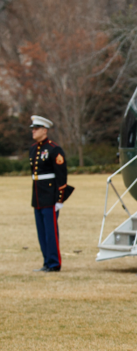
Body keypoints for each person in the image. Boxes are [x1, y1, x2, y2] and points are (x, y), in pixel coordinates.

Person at [29, 115, 70, 272]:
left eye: (36, 129)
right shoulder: (33, 148)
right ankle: (46, 261)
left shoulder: (54, 149)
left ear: (45, 130)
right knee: (41, 232)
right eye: (33, 129)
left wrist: (59, 199)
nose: (33, 131)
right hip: (38, 196)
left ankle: (54, 263)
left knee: (50, 232)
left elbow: (61, 176)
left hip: (51, 196)